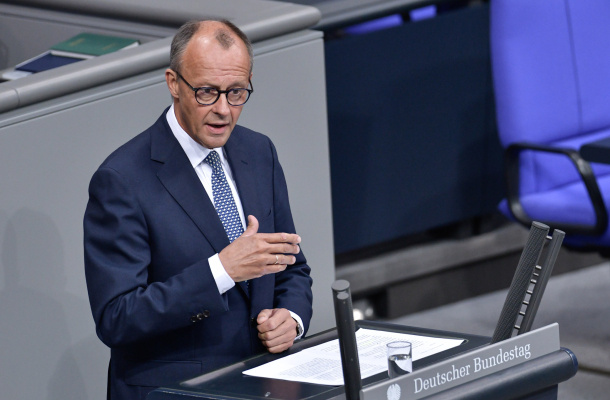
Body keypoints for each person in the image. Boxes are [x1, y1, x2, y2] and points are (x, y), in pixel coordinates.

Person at [84, 19, 313, 400]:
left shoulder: (259, 153)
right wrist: (221, 271)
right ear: (174, 83)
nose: (224, 109)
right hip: (175, 392)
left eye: (237, 92)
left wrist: (291, 318)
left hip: (263, 383)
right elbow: (117, 317)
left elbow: (291, 266)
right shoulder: (122, 179)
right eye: (207, 92)